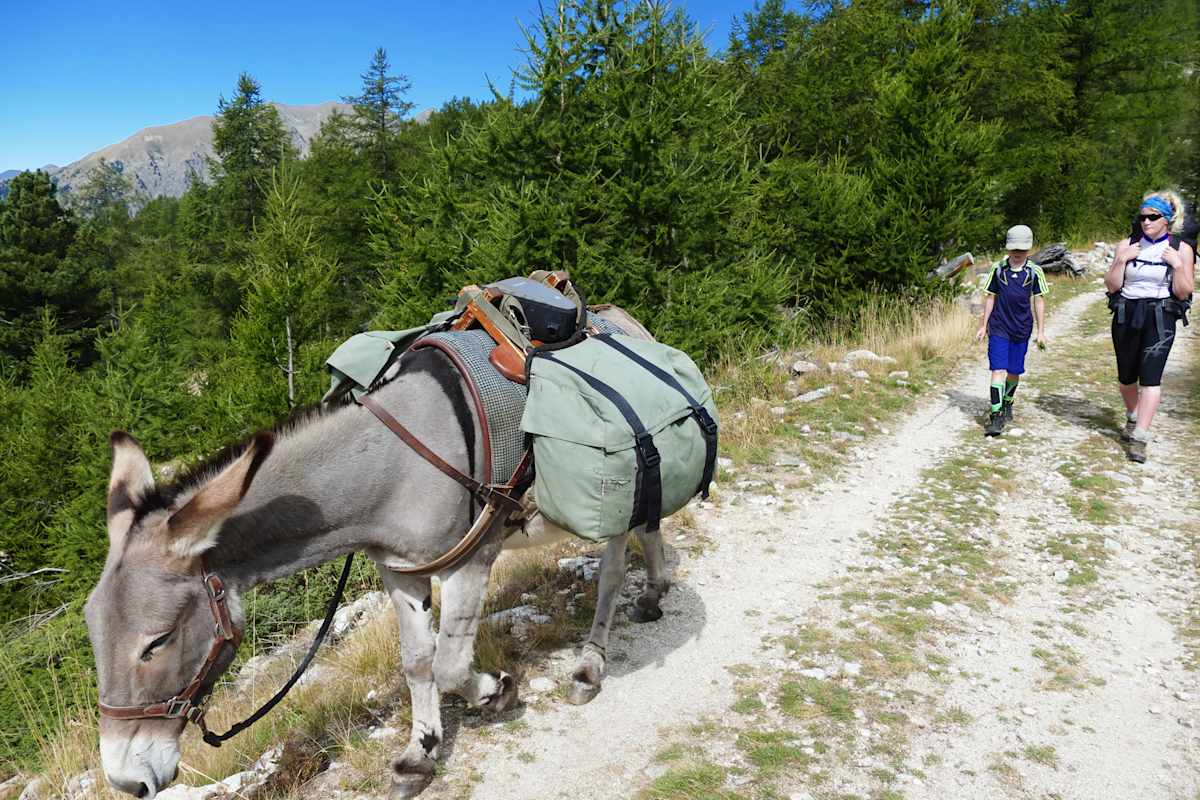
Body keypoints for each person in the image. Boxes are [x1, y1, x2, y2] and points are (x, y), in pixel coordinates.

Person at [1104, 190, 1195, 463]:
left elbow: (1184, 291)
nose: (1146, 222)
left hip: (1160, 317)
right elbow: (1112, 286)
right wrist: (1122, 259)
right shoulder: (1127, 245)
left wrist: (1177, 265)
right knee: (1126, 378)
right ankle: (1133, 417)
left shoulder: (1182, 249)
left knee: (1151, 378)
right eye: (1142, 217)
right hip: (1126, 313)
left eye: (1153, 217)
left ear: (1167, 219)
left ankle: (1140, 437)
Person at [975, 224, 1048, 436]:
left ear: (1028, 249)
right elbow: (990, 297)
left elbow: (1039, 300)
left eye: (1022, 249)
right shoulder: (998, 269)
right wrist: (983, 326)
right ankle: (996, 416)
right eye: (1014, 249)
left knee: (1014, 371)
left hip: (1022, 327)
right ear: (1008, 248)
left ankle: (1008, 401)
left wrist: (1041, 332)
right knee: (998, 370)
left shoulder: (1034, 271)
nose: (1017, 253)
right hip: (999, 326)